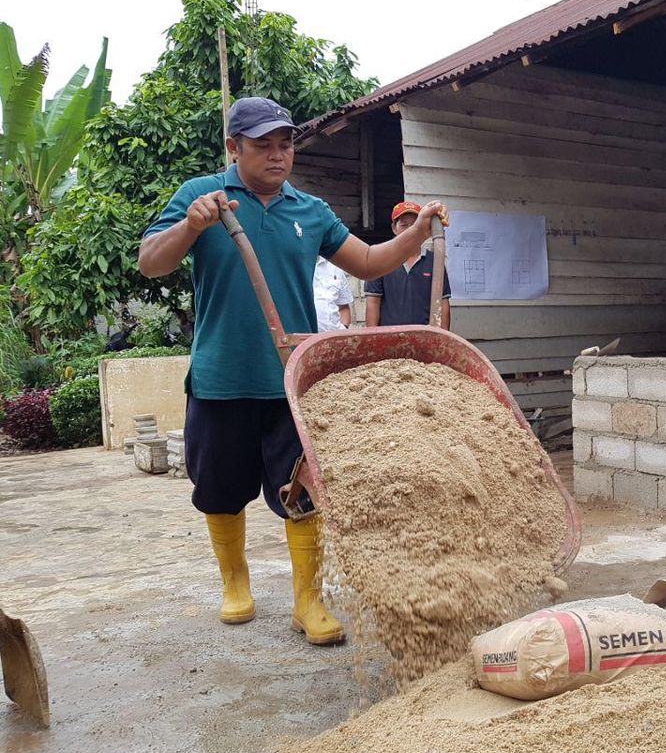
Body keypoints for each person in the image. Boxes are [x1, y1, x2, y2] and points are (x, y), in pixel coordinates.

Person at [138, 96, 445, 646]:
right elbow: (150, 261)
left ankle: (309, 600)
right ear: (234, 148)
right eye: (263, 146)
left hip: (292, 383)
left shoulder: (311, 211)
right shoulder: (201, 197)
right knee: (219, 488)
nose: (278, 156)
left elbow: (371, 261)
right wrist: (189, 226)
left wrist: (418, 233)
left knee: (302, 491)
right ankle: (235, 583)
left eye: (286, 146)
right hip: (222, 377)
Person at [365, 201, 451, 328]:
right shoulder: (382, 260)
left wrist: (442, 341)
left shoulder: (434, 262)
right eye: (404, 225)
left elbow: (443, 305)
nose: (410, 230)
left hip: (425, 338)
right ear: (394, 228)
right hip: (390, 338)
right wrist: (372, 340)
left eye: (414, 225)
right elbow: (373, 303)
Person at [312, 255, 353, 332]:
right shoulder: (293, 267)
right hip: (305, 340)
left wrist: (344, 328)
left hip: (334, 339)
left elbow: (344, 307)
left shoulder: (335, 267)